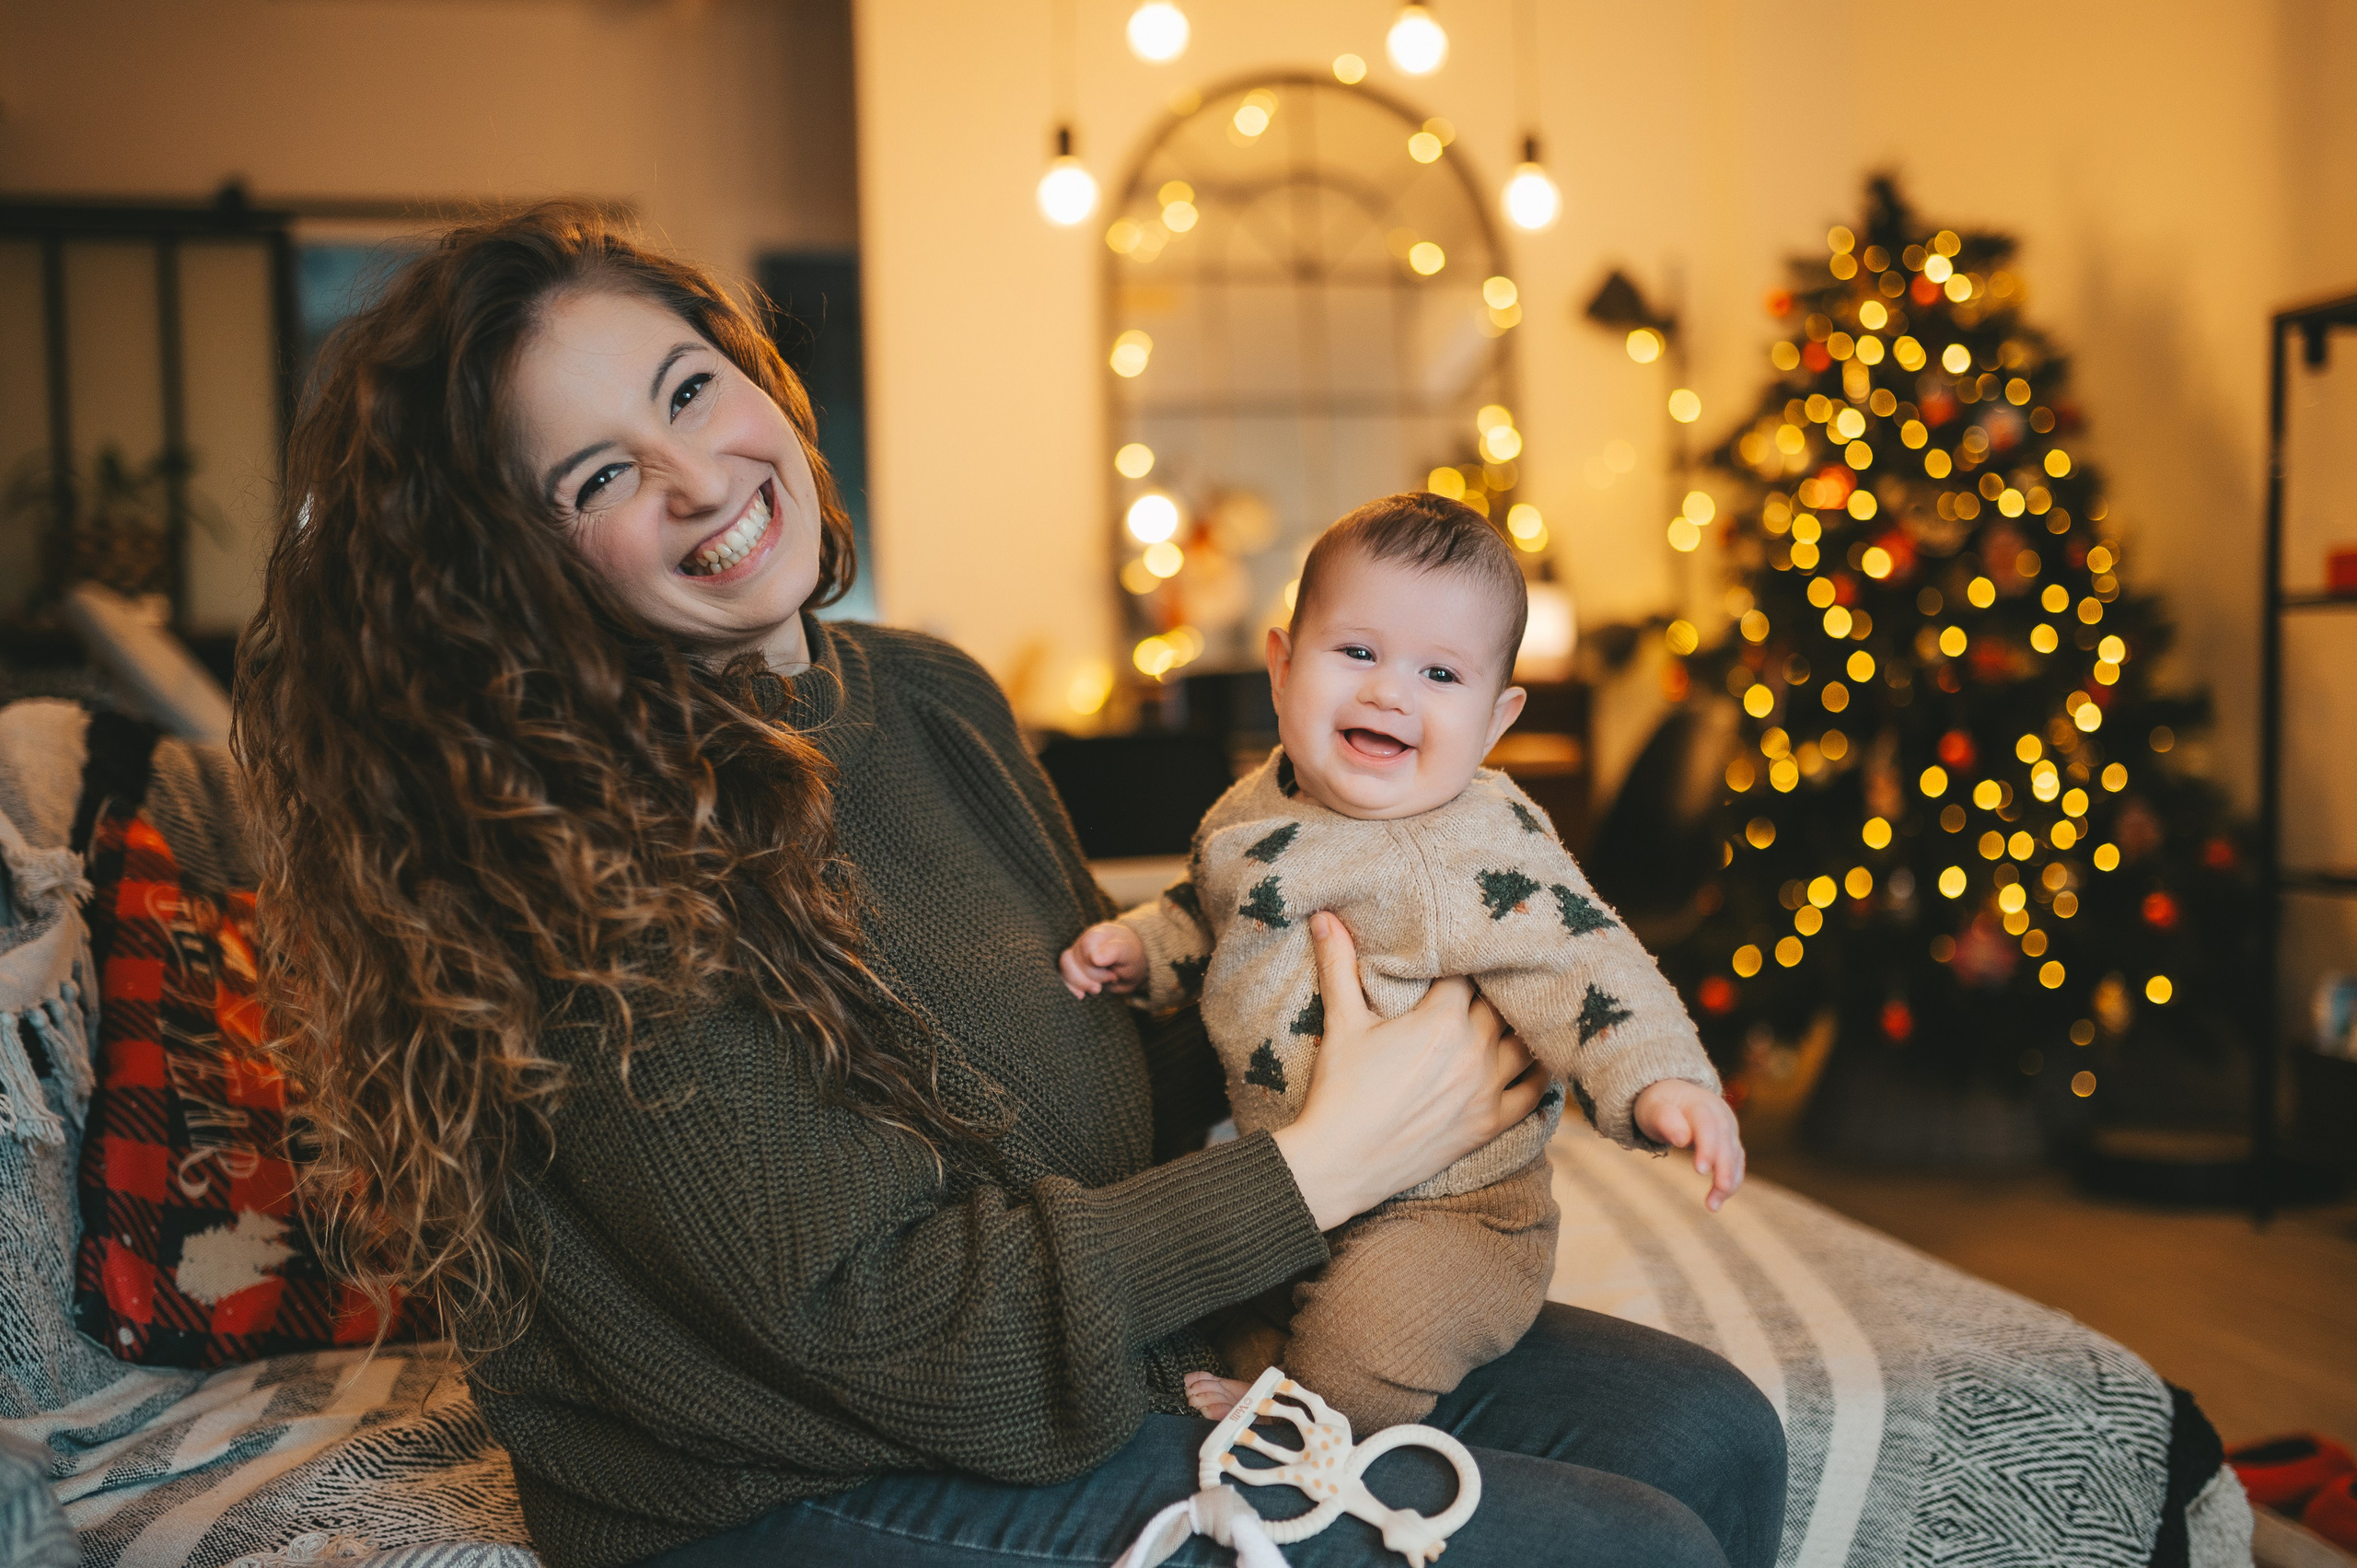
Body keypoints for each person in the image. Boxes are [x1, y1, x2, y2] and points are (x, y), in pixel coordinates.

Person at [237, 203, 1783, 1568]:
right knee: (1619, 1548)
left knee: (1714, 1430)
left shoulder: (925, 696)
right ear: (516, 560)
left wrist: (1385, 1005)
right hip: (799, 1473)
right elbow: (879, 1326)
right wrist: (1320, 1163)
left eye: (692, 387)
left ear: (752, 373)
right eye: (599, 472)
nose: (701, 475)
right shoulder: (558, 850)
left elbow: (1103, 1051)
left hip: (1092, 1337)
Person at [1060, 495, 1744, 1435]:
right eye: (1357, 652)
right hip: (1295, 1183)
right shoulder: (1250, 806)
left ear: (1495, 718)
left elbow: (1586, 957)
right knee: (1222, 1323)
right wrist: (1141, 945)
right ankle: (1265, 1384)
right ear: (1281, 666)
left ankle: (1307, 1422)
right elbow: (1206, 904)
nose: (1390, 692)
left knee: (1367, 1335)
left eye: (1437, 672)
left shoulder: (1477, 842)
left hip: (1452, 1213)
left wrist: (1665, 1079)